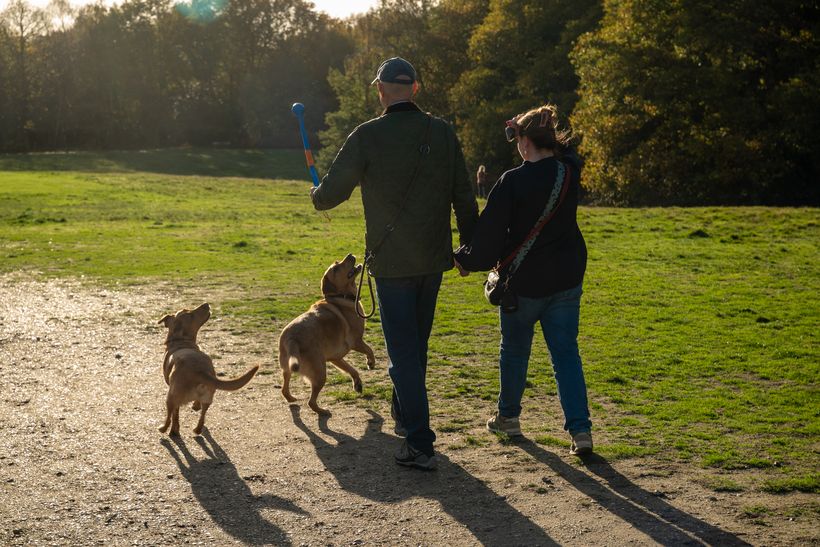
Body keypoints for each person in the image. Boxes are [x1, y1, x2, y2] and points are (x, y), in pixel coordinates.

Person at [310, 57, 479, 470]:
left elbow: (331, 194)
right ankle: (405, 415)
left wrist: (316, 194)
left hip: (391, 262)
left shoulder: (367, 135)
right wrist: (471, 250)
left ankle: (420, 443)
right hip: (433, 259)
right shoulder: (442, 132)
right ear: (415, 89)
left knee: (404, 352)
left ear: (380, 90)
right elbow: (464, 197)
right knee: (414, 346)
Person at [453, 104, 593, 456]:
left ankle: (509, 418)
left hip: (524, 283)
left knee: (514, 352)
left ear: (526, 142)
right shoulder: (569, 172)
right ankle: (581, 432)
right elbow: (569, 153)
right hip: (565, 279)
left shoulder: (512, 181)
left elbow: (490, 234)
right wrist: (532, 126)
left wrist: (466, 260)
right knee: (566, 356)